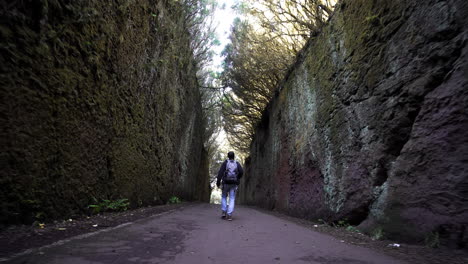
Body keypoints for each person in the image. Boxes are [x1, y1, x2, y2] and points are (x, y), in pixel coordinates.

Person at [216, 151, 244, 221]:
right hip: (233, 183)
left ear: (228, 156)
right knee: (232, 198)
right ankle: (229, 214)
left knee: (224, 196)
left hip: (225, 183)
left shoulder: (225, 163)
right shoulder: (237, 163)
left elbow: (220, 173)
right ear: (233, 156)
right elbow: (241, 172)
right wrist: (237, 178)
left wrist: (218, 182)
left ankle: (223, 212)